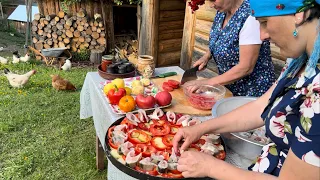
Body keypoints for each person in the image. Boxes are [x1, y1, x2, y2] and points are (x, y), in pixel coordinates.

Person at [173, 0, 320, 179]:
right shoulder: (298, 62)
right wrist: (201, 129)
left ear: (299, 15)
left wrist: (211, 167)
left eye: (264, 22)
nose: (262, 35)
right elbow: (262, 106)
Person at [185, 0, 275, 97]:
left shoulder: (250, 17)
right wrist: (206, 57)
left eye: (213, 0)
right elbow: (219, 38)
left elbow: (246, 67)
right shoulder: (222, 12)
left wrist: (209, 82)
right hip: (231, 87)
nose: (211, 5)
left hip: (253, 91)